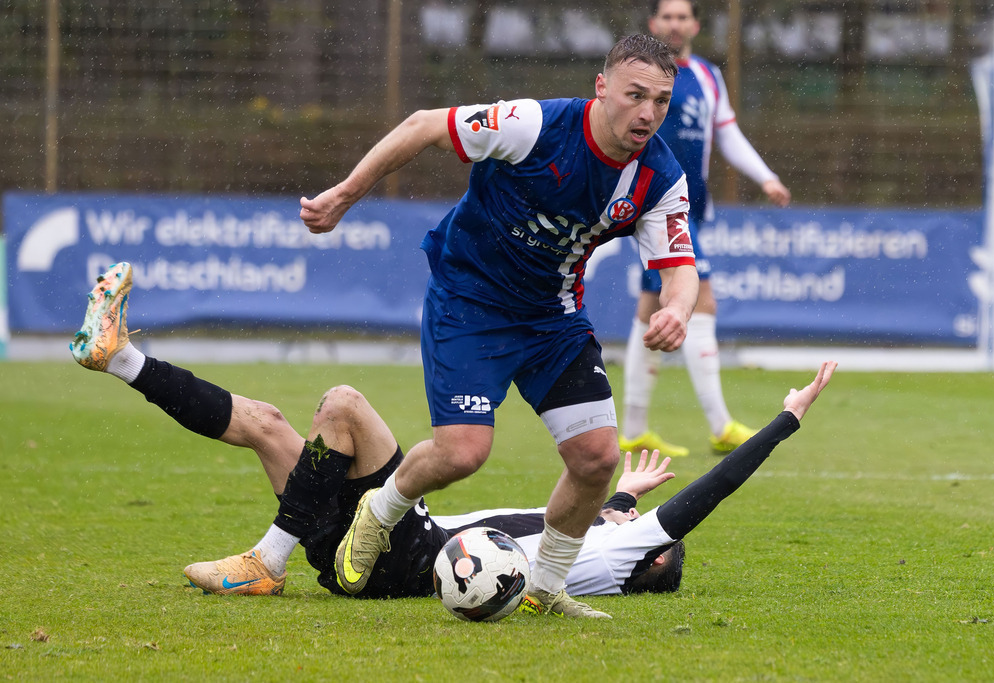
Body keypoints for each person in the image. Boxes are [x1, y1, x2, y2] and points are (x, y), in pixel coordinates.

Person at [70, 262, 836, 602]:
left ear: (650, 556)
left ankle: (268, 560)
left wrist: (787, 419)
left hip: (408, 551)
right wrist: (622, 492)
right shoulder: (591, 533)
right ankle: (120, 355)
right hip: (392, 546)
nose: (626, 518)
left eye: (642, 531)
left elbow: (701, 498)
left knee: (342, 404)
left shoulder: (618, 554)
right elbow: (592, 506)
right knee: (270, 425)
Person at [298, 34, 700, 618]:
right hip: (470, 302)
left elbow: (680, 269)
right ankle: (380, 511)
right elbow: (422, 125)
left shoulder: (660, 177)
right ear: (601, 87)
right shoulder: (532, 125)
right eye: (635, 95)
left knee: (596, 458)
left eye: (661, 100)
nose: (648, 113)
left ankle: (546, 585)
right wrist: (344, 196)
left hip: (551, 320)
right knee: (462, 454)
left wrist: (676, 310)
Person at [619, 0, 793, 459]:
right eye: (667, 17)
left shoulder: (708, 77)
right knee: (702, 300)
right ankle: (719, 425)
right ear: (654, 24)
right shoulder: (639, 74)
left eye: (683, 17)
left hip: (689, 208)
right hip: (655, 202)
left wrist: (766, 176)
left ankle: (633, 427)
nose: (675, 25)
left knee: (649, 308)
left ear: (694, 25)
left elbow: (728, 134)